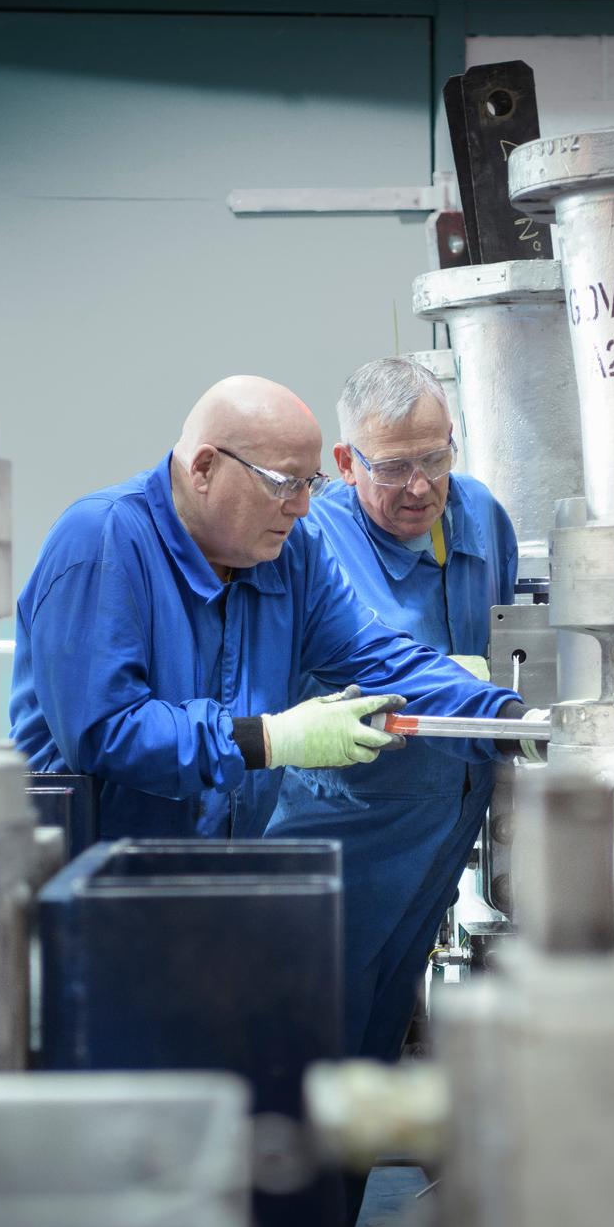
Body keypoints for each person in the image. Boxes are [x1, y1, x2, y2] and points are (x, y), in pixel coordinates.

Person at [9, 374, 528, 845]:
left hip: (216, 881)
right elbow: (104, 732)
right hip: (86, 885)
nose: (302, 507)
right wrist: (268, 740)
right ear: (205, 467)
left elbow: (380, 658)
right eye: (283, 484)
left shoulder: (289, 553)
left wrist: (509, 722)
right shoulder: (102, 542)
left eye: (310, 484)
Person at [264, 357, 521, 1064]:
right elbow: (358, 660)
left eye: (436, 458)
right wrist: (469, 686)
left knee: (381, 1034)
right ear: (346, 462)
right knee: (315, 1043)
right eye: (394, 467)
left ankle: (350, 1177)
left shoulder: (481, 518)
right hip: (350, 830)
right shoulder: (312, 539)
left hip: (446, 832)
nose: (421, 486)